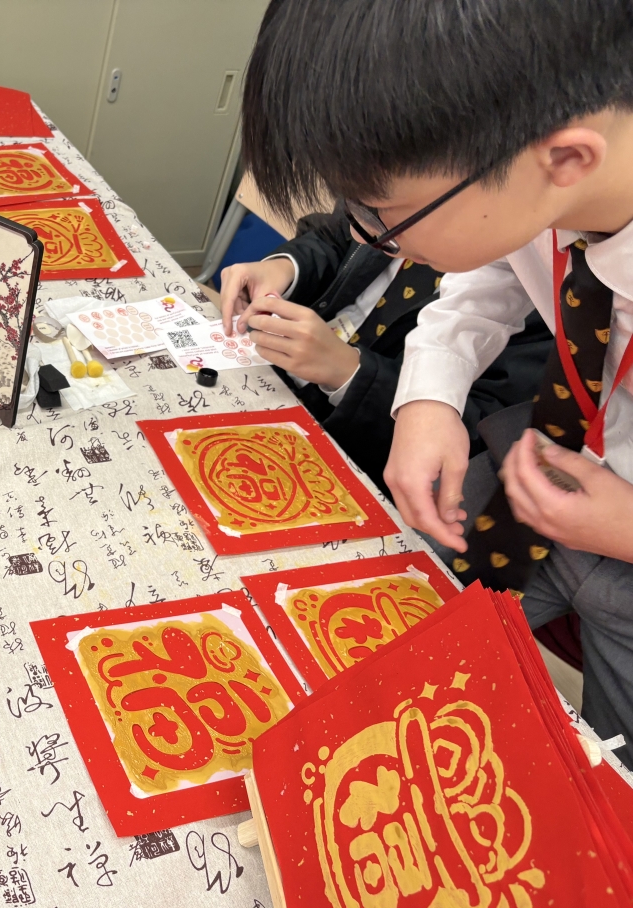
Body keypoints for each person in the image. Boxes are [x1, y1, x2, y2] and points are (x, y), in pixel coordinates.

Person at [236, 0, 633, 762]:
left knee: (602, 789)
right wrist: (428, 395)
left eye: (386, 216)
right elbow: (502, 264)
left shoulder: (525, 172)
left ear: (567, 161)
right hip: (546, 473)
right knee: (367, 661)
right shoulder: (544, 173)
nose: (370, 239)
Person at [219, 205, 552, 495]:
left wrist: (349, 373)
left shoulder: (543, 302)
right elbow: (337, 235)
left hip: (350, 449)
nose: (361, 235)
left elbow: (475, 439)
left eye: (383, 221)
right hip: (266, 375)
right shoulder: (382, 198)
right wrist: (284, 268)